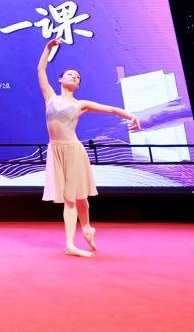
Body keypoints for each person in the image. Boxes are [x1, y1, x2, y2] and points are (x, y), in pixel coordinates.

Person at [37, 38, 140, 257]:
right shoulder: (50, 97)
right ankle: (84, 230)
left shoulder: (80, 104)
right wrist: (48, 48)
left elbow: (111, 109)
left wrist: (131, 116)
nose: (73, 77)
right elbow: (41, 69)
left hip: (73, 151)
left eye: (77, 77)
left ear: (77, 85)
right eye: (70, 74)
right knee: (75, 197)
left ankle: (75, 238)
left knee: (75, 196)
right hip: (56, 151)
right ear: (60, 79)